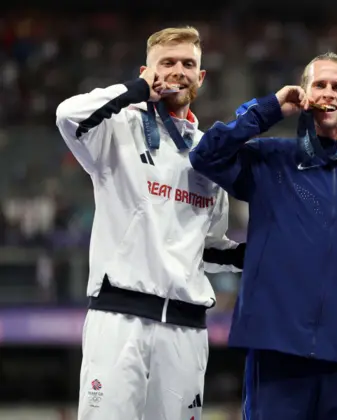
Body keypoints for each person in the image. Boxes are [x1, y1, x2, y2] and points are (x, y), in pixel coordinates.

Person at [55, 26, 244, 420]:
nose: (178, 71)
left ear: (201, 76)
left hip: (185, 331)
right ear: (146, 70)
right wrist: (137, 90)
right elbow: (67, 116)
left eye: (188, 64)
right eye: (167, 63)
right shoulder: (117, 127)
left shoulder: (209, 154)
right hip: (118, 320)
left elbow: (209, 247)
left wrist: (265, 250)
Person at [190, 52, 337, 420]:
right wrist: (271, 108)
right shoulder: (270, 159)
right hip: (275, 350)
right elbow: (206, 156)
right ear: (305, 93)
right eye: (320, 84)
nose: (329, 92)